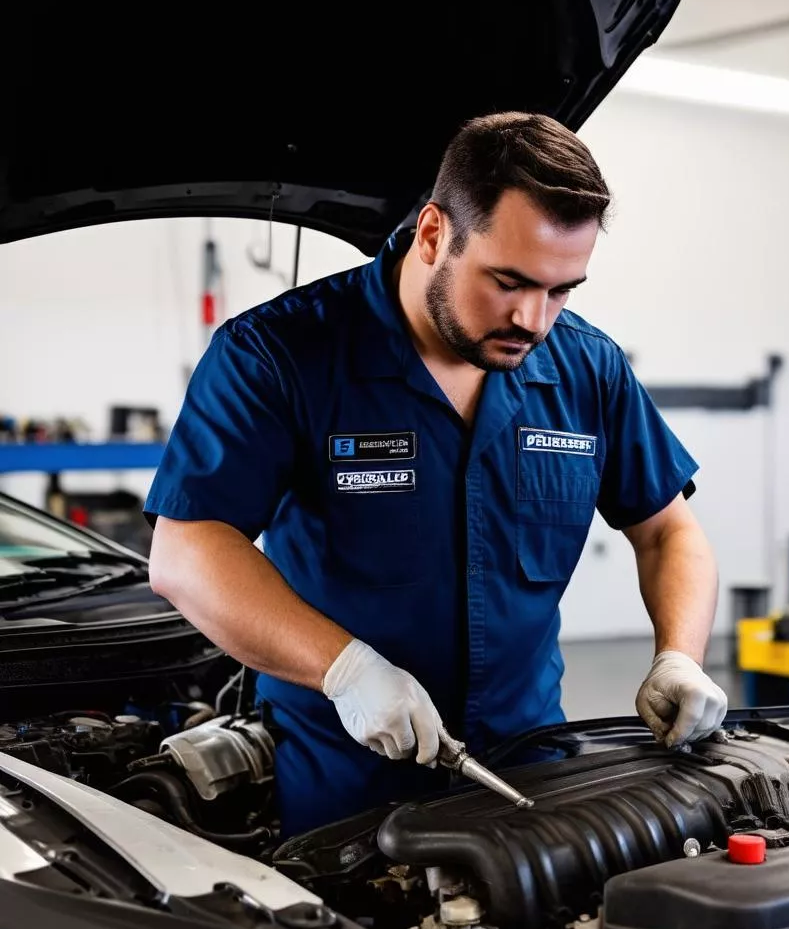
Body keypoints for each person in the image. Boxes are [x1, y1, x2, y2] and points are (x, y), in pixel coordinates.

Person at [145, 112, 726, 838]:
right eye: (508, 281)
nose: (533, 318)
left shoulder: (588, 368)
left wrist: (680, 656)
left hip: (531, 770)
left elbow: (668, 528)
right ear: (431, 235)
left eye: (561, 290)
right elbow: (187, 549)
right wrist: (346, 671)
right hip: (345, 781)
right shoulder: (278, 355)